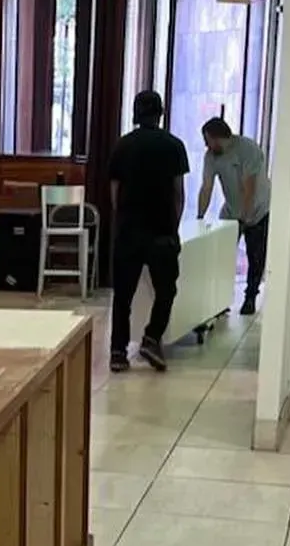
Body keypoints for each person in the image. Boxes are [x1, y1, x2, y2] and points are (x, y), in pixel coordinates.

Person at [107, 89, 189, 373]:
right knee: (166, 290)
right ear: (160, 113)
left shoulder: (122, 146)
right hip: (162, 231)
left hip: (129, 231)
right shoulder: (174, 145)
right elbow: (179, 194)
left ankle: (117, 352)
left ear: (135, 112)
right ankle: (151, 339)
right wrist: (174, 227)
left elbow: (115, 193)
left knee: (123, 296)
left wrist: (123, 222)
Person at [197, 116, 271, 316]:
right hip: (231, 211)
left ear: (219, 137)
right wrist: (200, 216)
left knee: (256, 256)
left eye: (208, 140)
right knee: (222, 255)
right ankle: (221, 300)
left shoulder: (248, 149)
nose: (206, 145)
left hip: (258, 210)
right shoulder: (211, 157)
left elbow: (250, 187)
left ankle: (250, 297)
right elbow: (207, 187)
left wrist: (246, 218)